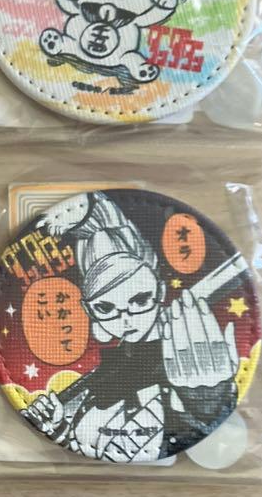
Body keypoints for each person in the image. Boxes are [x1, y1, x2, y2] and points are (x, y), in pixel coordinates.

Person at [22, 193, 241, 462]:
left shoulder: (182, 360)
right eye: (105, 308)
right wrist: (58, 428)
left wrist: (207, 400)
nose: (125, 319)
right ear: (88, 309)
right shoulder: (100, 377)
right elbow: (93, 443)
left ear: (160, 291)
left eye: (139, 300)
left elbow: (181, 430)